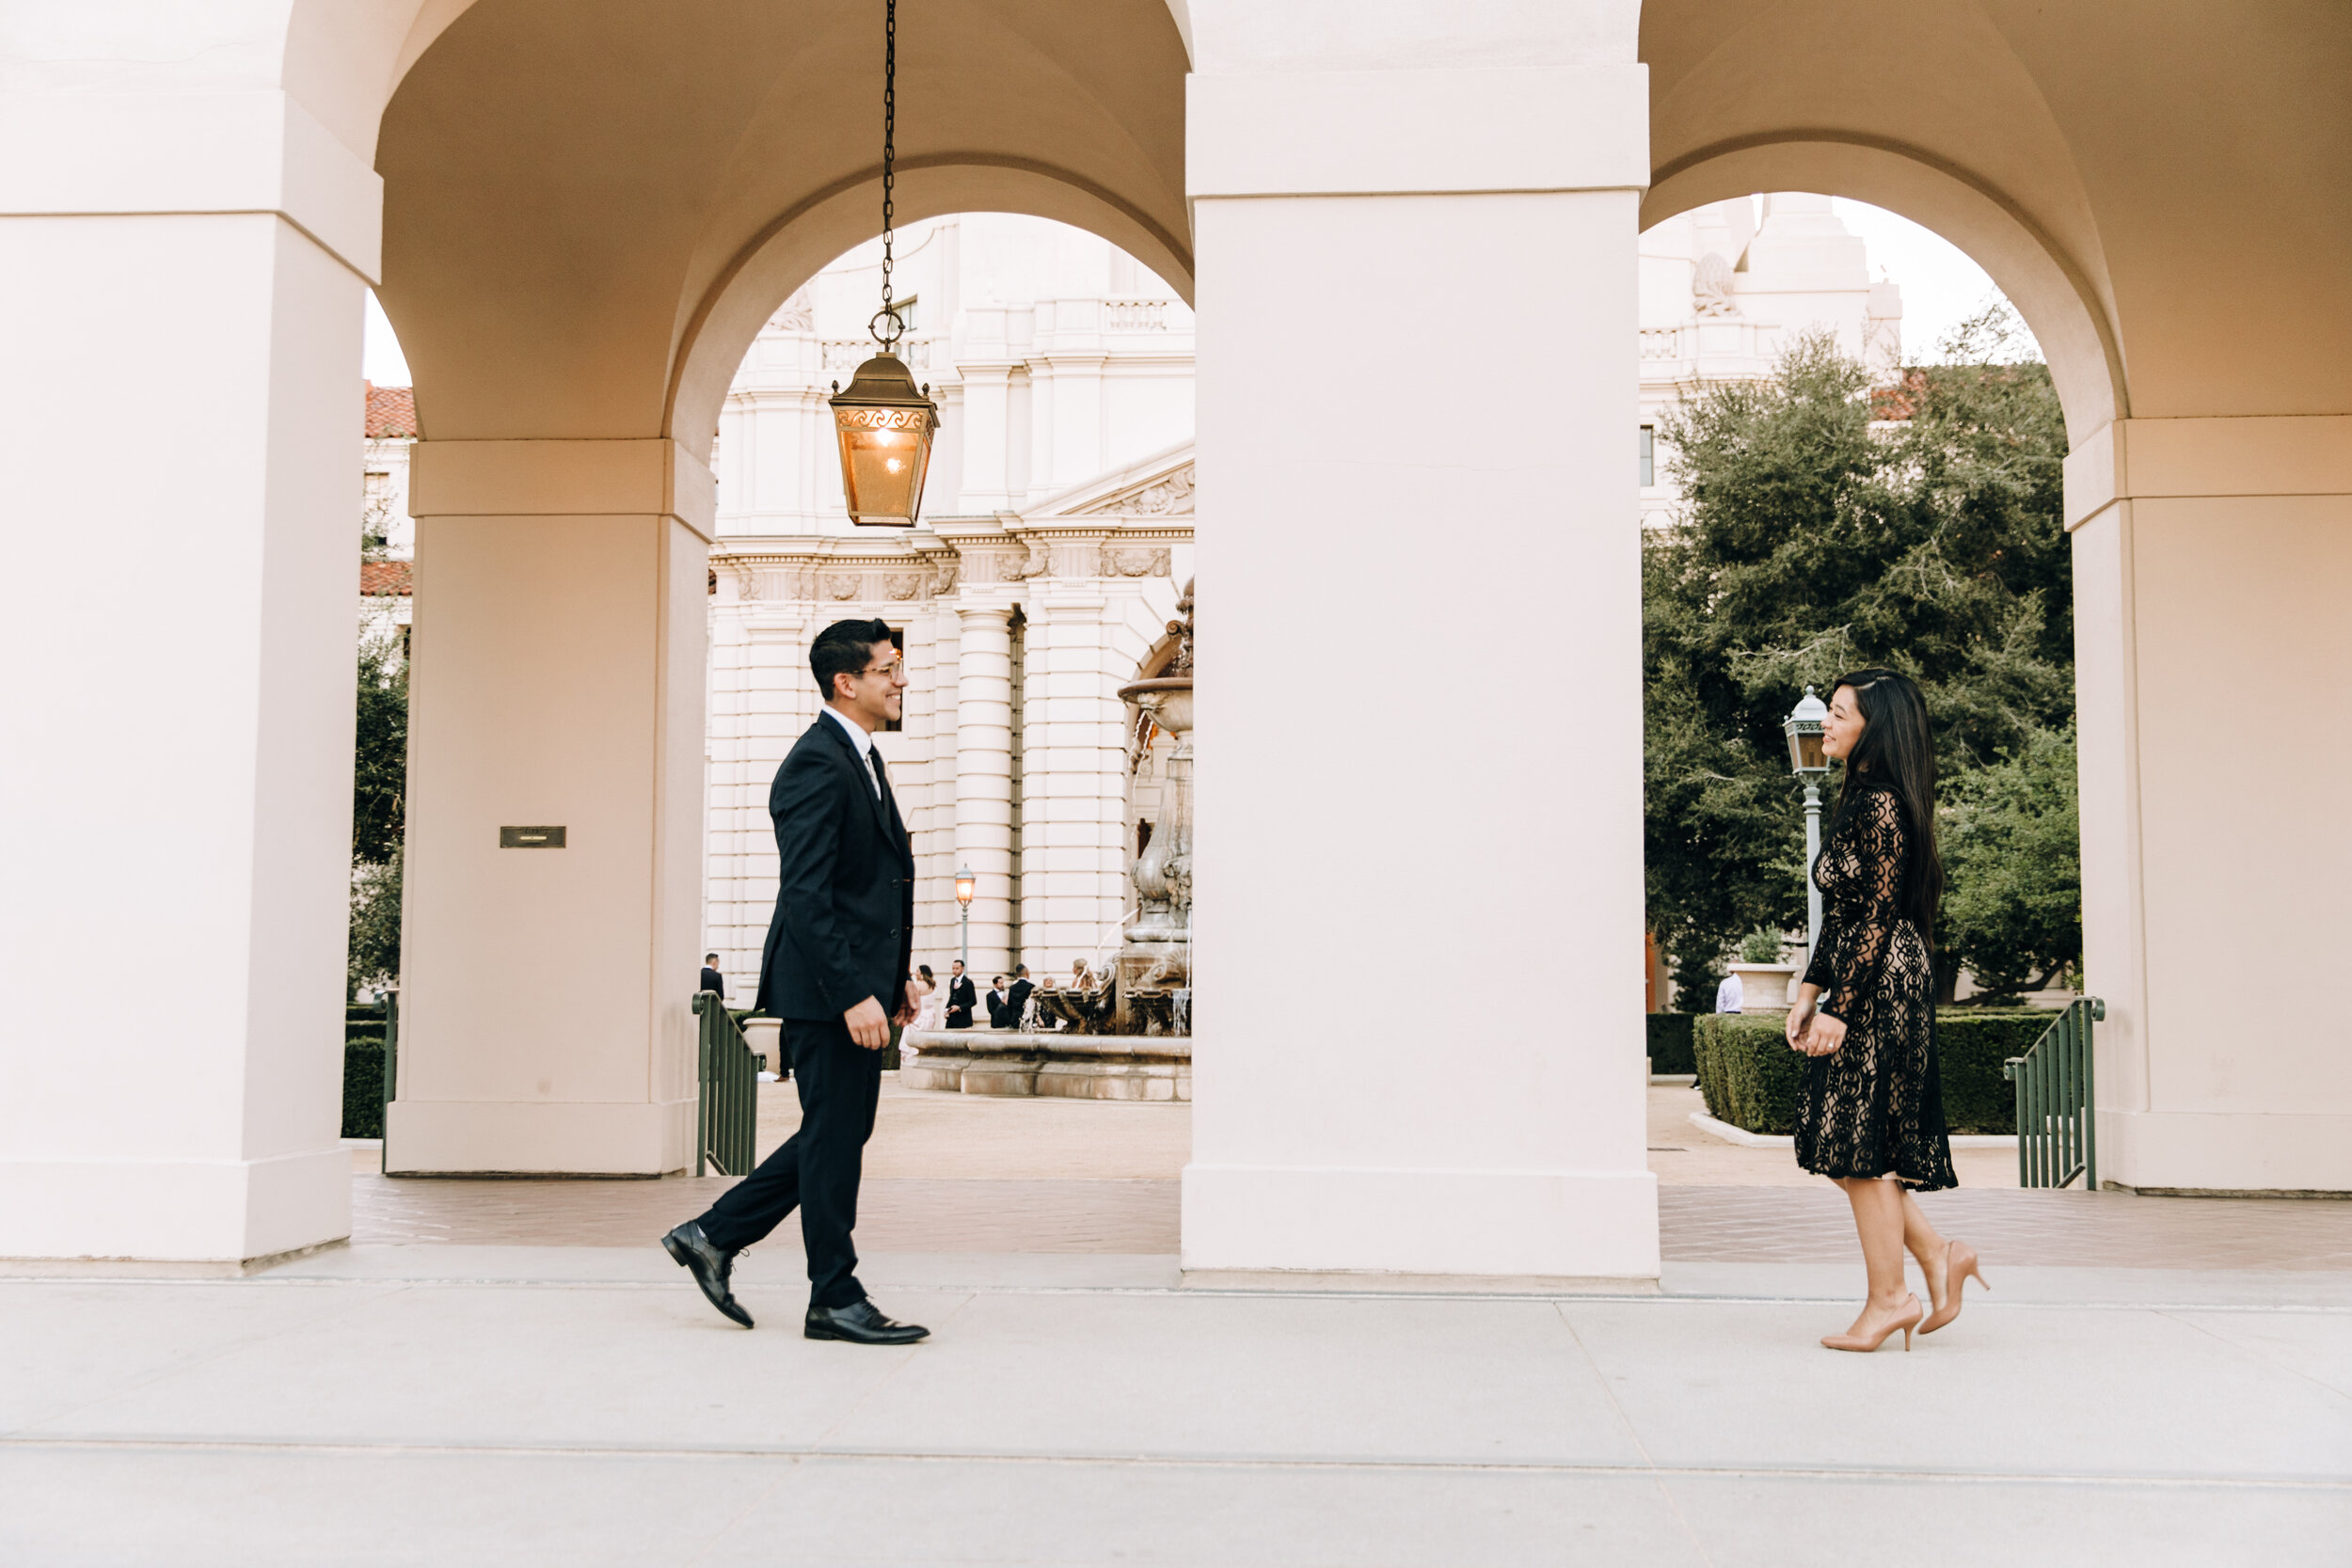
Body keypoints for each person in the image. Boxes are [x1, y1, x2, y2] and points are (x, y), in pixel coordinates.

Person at [660, 617, 929, 1346]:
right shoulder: (816, 762)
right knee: (835, 1138)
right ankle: (832, 1296)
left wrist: (894, 978)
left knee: (835, 1133)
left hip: (851, 986)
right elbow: (807, 896)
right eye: (888, 668)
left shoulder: (861, 758)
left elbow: (864, 889)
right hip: (825, 994)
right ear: (848, 682)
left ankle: (712, 1234)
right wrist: (851, 991)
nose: (901, 679)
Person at [1784, 669, 1979, 1354]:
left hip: (1879, 979)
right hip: (1865, 974)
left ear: (1876, 726)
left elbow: (1877, 915)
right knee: (1845, 1143)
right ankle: (1936, 1253)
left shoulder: (1881, 805)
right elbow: (1843, 915)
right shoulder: (1860, 799)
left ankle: (1891, 1297)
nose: (1825, 725)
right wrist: (1810, 992)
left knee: (1858, 1147)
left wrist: (1841, 1004)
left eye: (1838, 714)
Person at [944, 959, 977, 1029]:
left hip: (963, 1019)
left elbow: (973, 1001)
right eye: (953, 968)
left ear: (962, 969)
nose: (954, 971)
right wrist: (946, 1009)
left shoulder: (968, 982)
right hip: (952, 1018)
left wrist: (959, 1008)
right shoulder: (952, 981)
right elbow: (951, 997)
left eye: (957, 968)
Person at [1005, 964, 1035, 1031]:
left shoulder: (1012, 987)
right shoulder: (1031, 986)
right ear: (1027, 973)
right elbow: (1032, 1005)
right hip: (1027, 1018)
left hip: (1014, 1018)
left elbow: (1009, 1004)